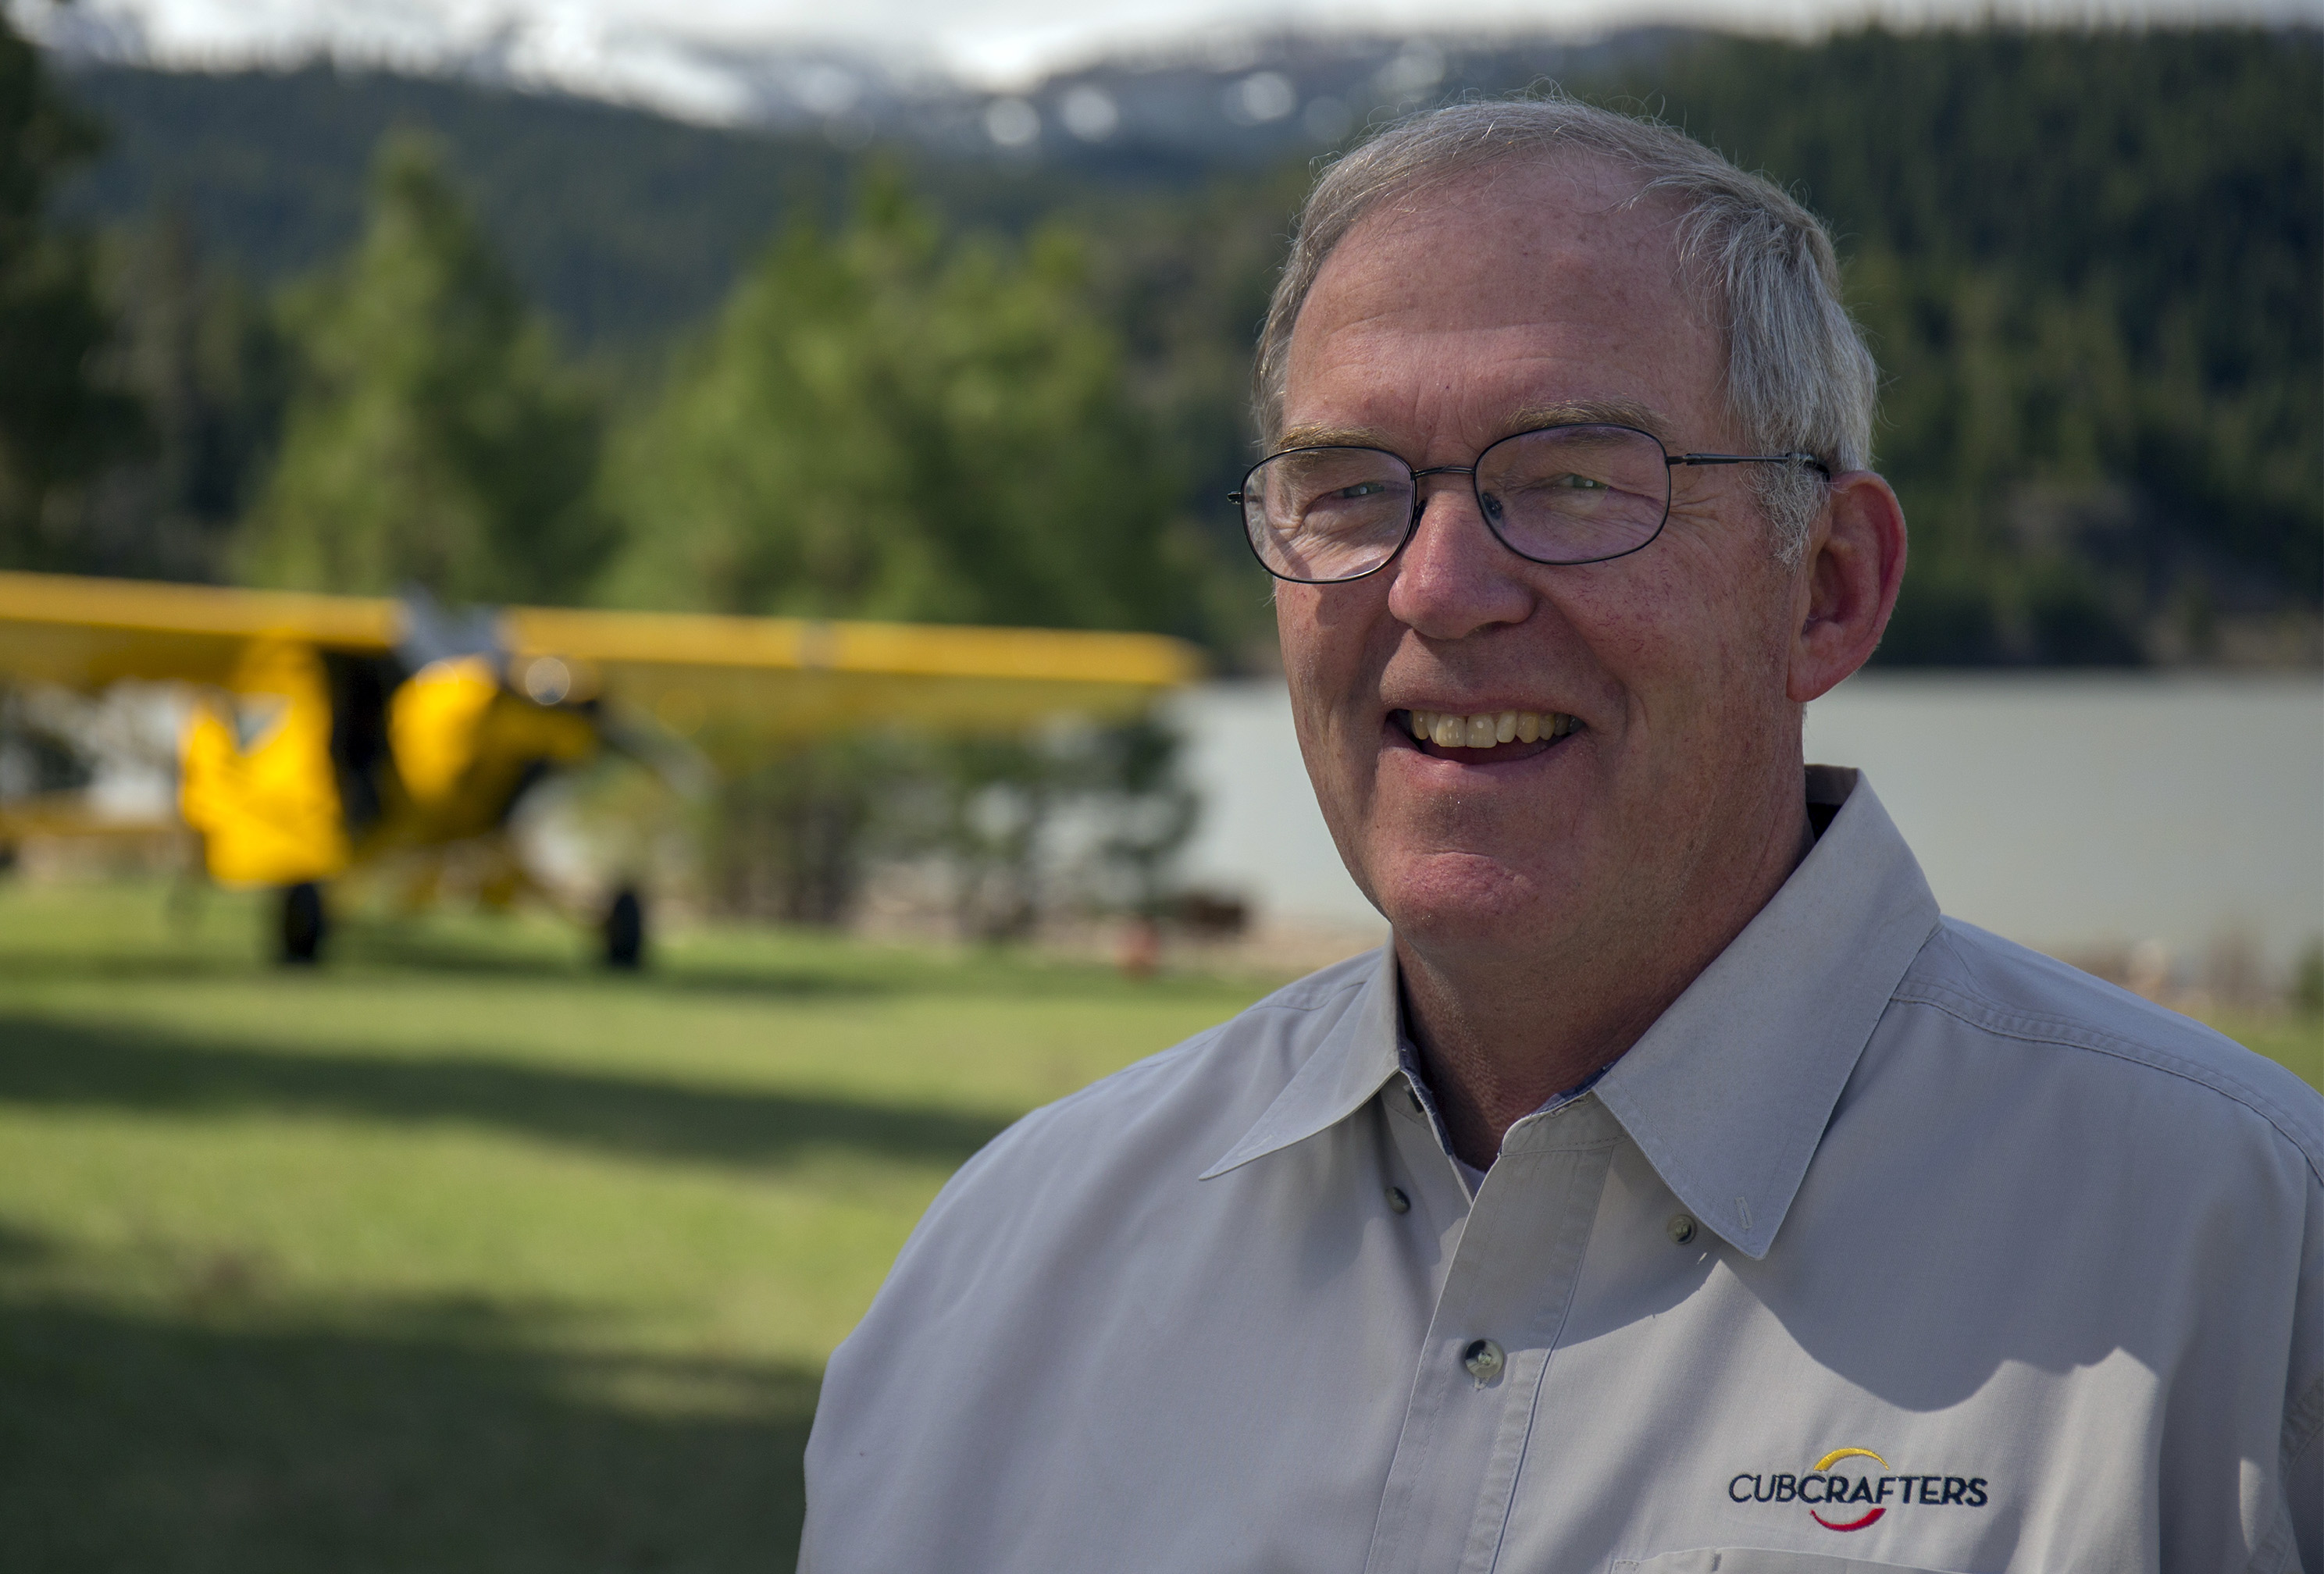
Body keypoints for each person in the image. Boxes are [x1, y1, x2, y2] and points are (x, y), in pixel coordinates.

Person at [798, 98, 2322, 1573]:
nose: (1438, 587)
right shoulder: (1009, 1266)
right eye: (1348, 491)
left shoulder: (2243, 1263)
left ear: (1829, 586)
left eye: (1577, 478)